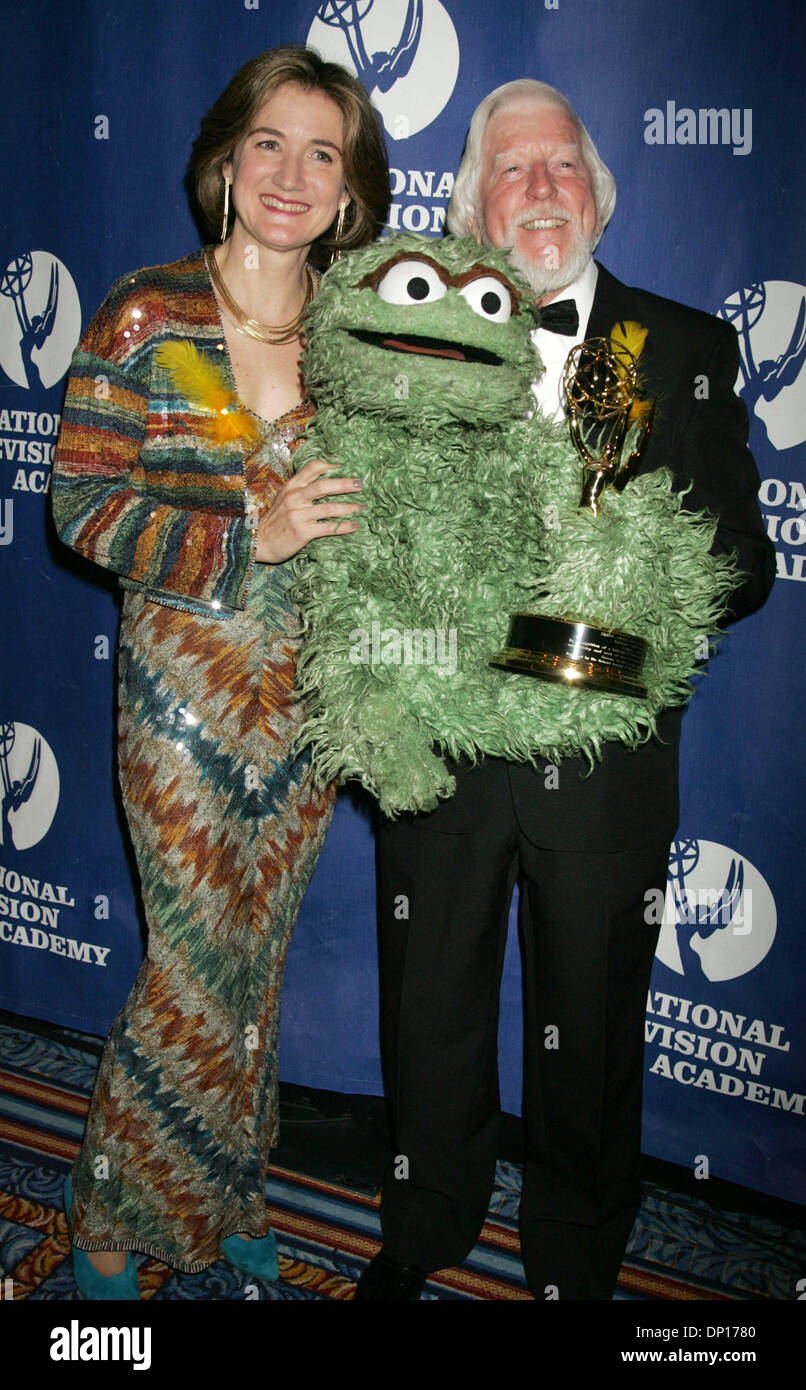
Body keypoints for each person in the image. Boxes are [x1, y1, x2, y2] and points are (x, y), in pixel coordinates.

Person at [356, 79, 775, 1301]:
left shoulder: (683, 347)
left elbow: (742, 560)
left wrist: (622, 605)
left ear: (595, 192)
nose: (538, 189)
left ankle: (577, 1250)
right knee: (427, 997)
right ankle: (423, 1222)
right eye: (510, 170)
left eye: (559, 168)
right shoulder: (410, 342)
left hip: (603, 758)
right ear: (472, 208)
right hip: (441, 740)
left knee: (589, 1023)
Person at [52, 45, 389, 1299]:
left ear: (351, 192)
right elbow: (80, 506)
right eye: (269, 143)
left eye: (323, 153)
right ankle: (103, 1218)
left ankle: (230, 1191)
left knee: (258, 962)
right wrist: (251, 531)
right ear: (224, 162)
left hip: (310, 703)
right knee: (189, 967)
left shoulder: (363, 341)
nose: (292, 175)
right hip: (183, 698)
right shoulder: (147, 312)